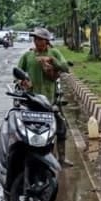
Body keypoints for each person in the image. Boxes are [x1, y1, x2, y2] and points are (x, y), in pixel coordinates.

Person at [18, 27, 73, 166]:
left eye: (40, 39)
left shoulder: (54, 52)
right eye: (35, 39)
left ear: (47, 41)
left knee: (60, 127)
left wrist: (51, 60)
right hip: (31, 100)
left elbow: (65, 68)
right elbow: (18, 71)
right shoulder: (28, 56)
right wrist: (22, 81)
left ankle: (62, 158)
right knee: (24, 128)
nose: (37, 42)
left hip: (49, 100)